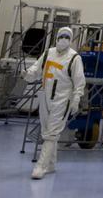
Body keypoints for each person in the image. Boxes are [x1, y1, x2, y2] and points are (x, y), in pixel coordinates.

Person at [29, 25, 85, 180]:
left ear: (71, 40)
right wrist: (28, 74)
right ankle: (51, 164)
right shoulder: (49, 53)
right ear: (56, 37)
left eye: (67, 37)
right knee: (46, 130)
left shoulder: (74, 58)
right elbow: (36, 69)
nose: (63, 40)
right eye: (61, 36)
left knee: (52, 133)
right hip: (45, 96)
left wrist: (76, 98)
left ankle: (40, 166)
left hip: (62, 99)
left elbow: (79, 81)